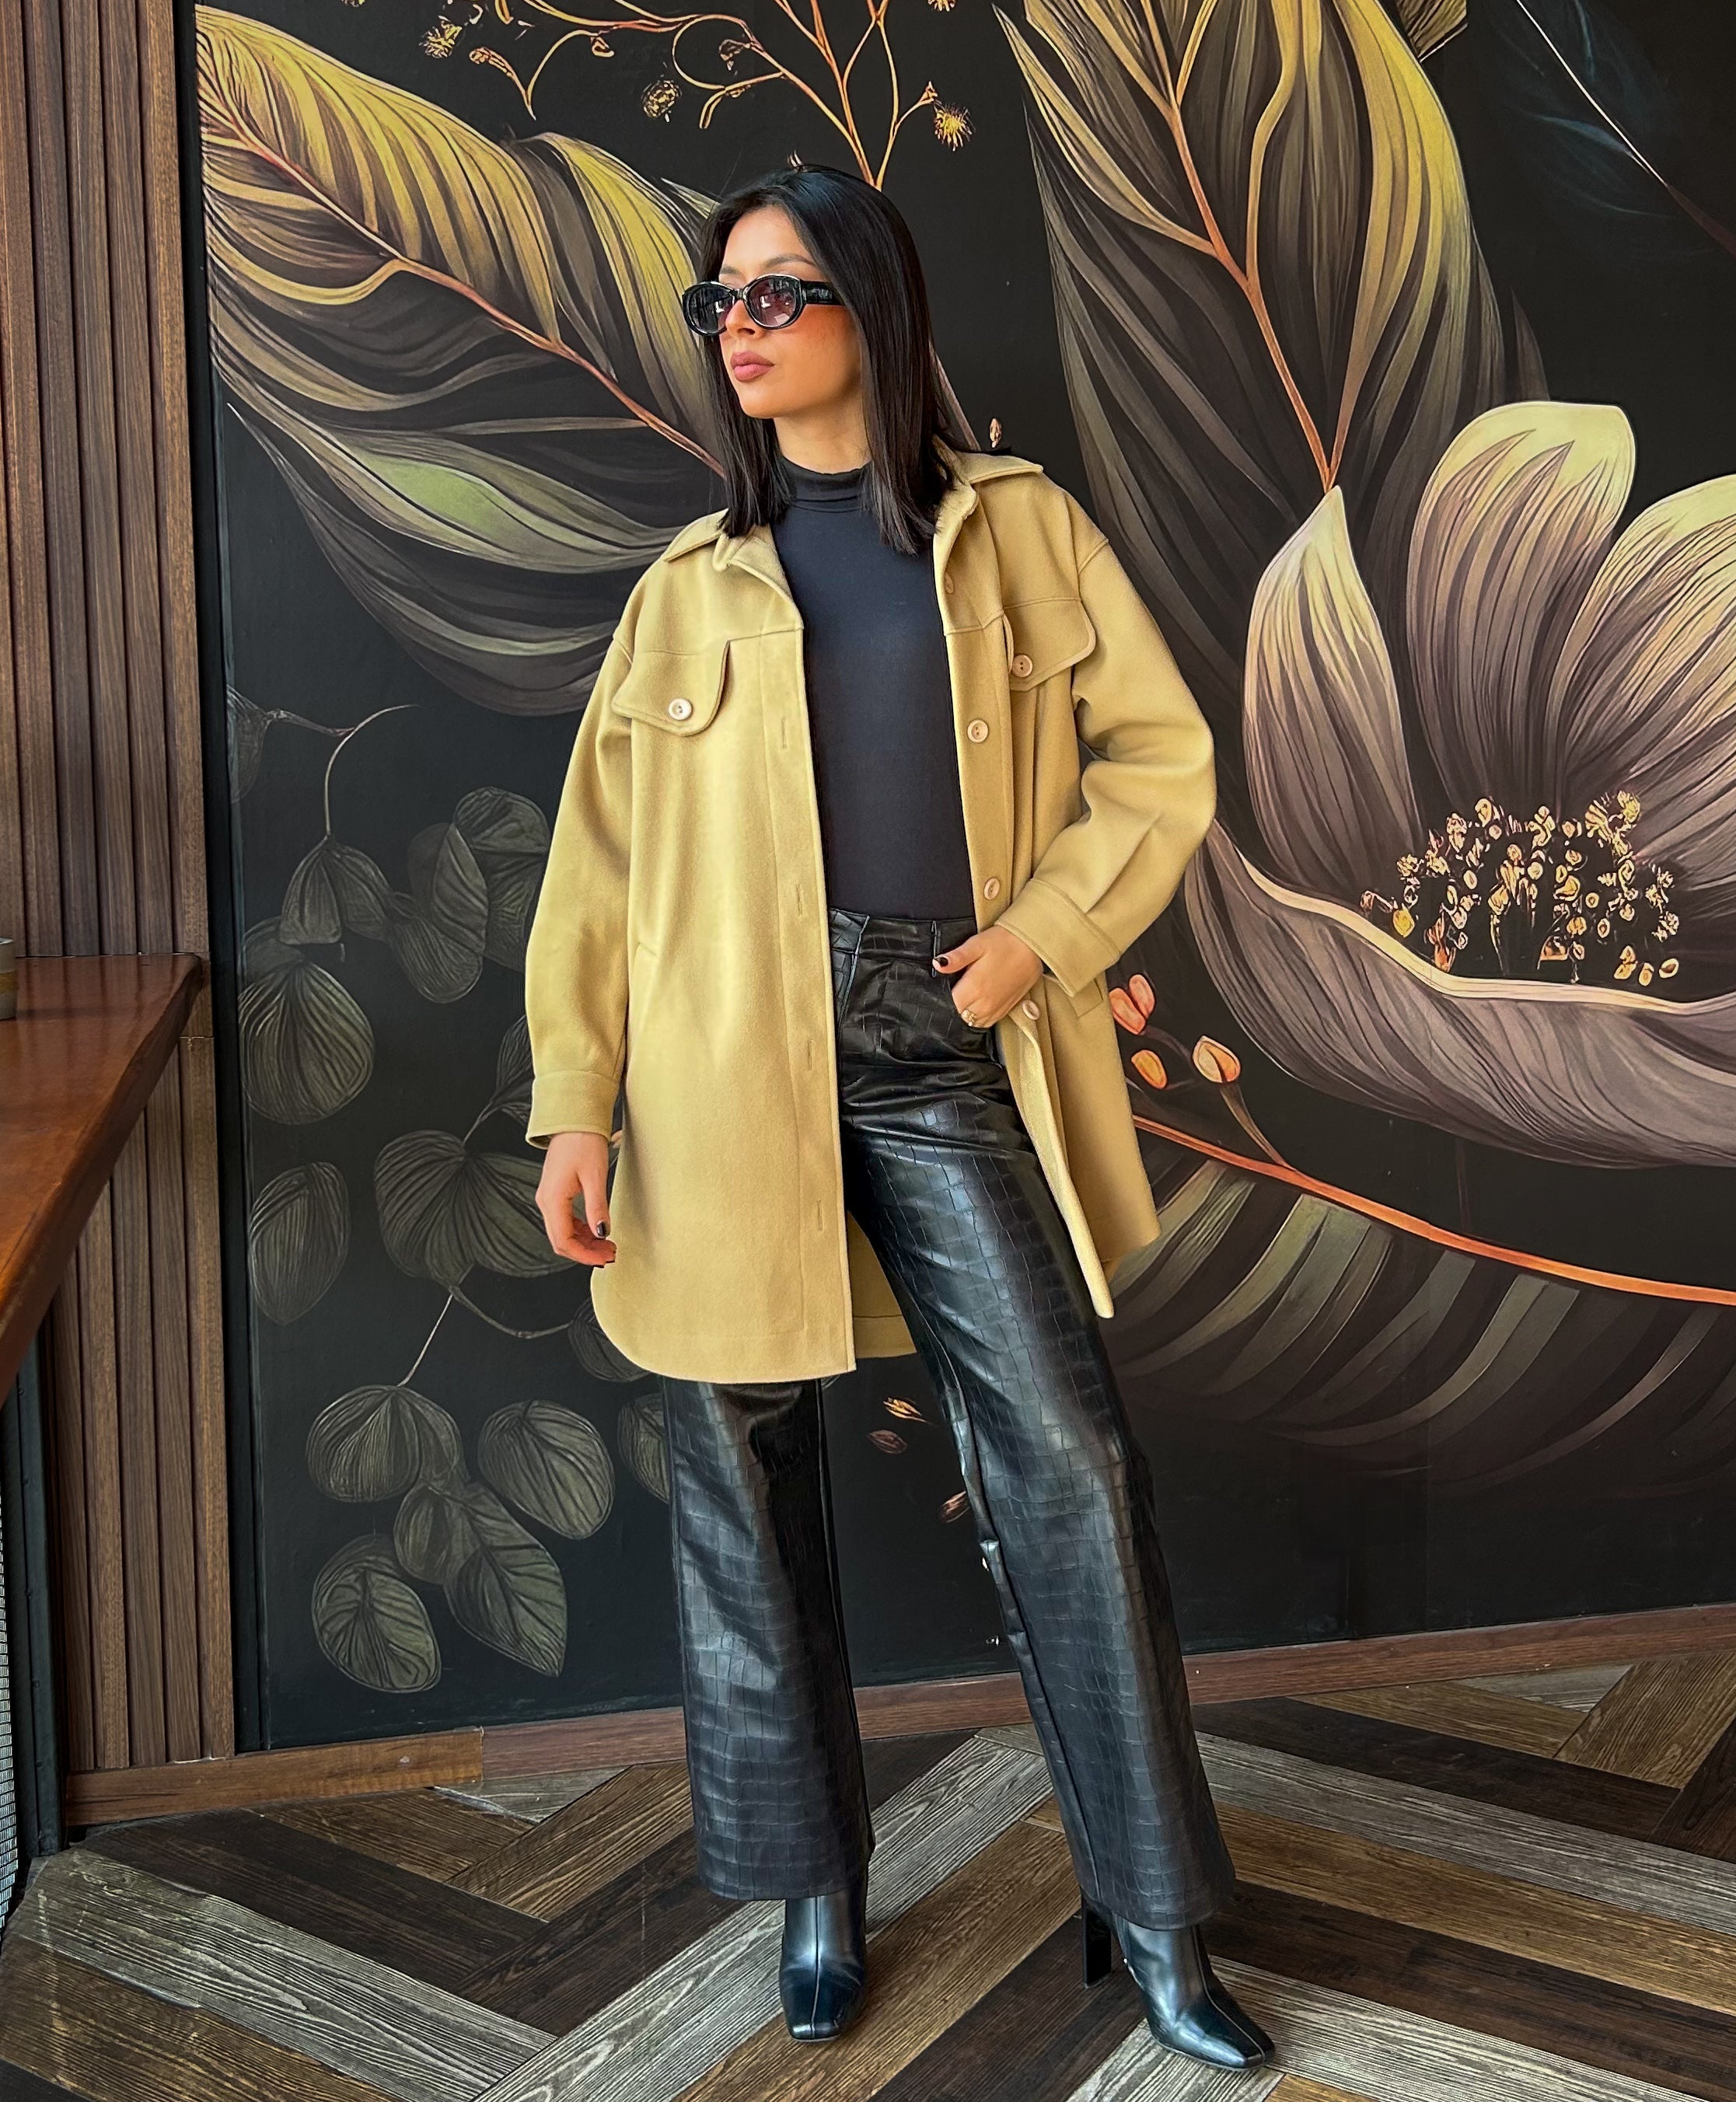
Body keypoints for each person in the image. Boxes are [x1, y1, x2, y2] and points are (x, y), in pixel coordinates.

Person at [523, 163, 1272, 2072]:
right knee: (742, 1474)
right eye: (721, 302)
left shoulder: (1016, 531)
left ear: (873, 304)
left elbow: (1161, 756)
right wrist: (577, 1105)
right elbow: (598, 872)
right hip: (718, 1072)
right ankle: (814, 1890)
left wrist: (1041, 941)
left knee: (1070, 1465)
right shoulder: (686, 588)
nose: (741, 329)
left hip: (947, 1042)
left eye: (777, 293)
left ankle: (1155, 1914)